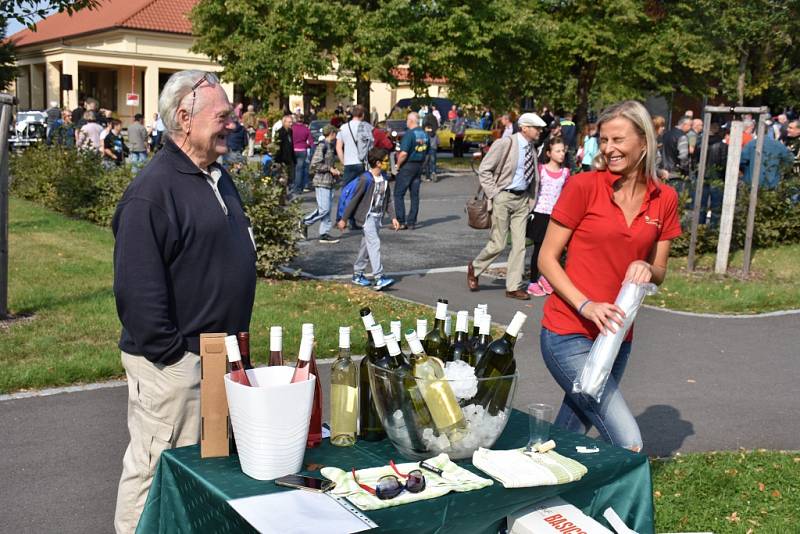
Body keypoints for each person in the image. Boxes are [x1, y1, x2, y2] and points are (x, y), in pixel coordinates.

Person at [112, 70, 256, 534]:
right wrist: (175, 358)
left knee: (202, 473)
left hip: (215, 359)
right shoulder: (151, 193)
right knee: (156, 471)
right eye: (222, 116)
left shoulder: (214, 175)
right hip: (174, 365)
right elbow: (137, 292)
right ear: (184, 119)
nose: (232, 124)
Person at [538, 100, 681, 452]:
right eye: (603, 140)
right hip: (567, 331)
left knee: (567, 434)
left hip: (616, 337)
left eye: (618, 139)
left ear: (643, 142)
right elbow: (546, 257)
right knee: (628, 440)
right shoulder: (584, 186)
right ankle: (627, 506)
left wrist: (648, 268)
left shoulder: (665, 198)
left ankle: (530, 497)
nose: (608, 148)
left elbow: (659, 272)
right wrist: (585, 305)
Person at [466, 112, 546, 300]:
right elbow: (484, 169)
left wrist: (531, 200)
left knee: (520, 246)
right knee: (498, 244)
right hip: (503, 197)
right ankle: (475, 268)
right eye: (536, 128)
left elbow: (533, 176)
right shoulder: (506, 143)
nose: (539, 131)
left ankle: (513, 287)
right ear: (525, 128)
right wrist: (494, 193)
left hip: (522, 201)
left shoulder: (532, 149)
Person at [337, 147, 400, 291]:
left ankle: (358, 273)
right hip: (367, 217)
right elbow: (354, 200)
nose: (387, 163)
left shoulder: (384, 178)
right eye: (385, 161)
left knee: (366, 246)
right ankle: (379, 277)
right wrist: (344, 219)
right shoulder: (365, 179)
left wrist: (393, 217)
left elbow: (388, 199)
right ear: (377, 163)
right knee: (374, 244)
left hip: (378, 217)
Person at [527, 136, 569, 297]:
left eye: (563, 151)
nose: (562, 154)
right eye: (558, 151)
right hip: (539, 214)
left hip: (555, 216)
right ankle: (532, 282)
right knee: (538, 249)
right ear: (549, 153)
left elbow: (565, 193)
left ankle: (546, 277)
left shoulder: (565, 172)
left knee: (555, 249)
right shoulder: (541, 169)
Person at [301, 125, 341, 243]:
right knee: (324, 209)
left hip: (329, 181)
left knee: (327, 209)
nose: (336, 135)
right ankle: (304, 222)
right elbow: (314, 164)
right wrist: (330, 169)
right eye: (335, 133)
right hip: (321, 181)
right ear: (332, 133)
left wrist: (335, 170)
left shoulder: (330, 146)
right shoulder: (322, 146)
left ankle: (324, 233)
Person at [393, 112, 430, 229]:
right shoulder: (424, 134)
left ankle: (401, 221)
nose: (406, 122)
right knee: (414, 195)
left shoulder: (409, 134)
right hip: (419, 165)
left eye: (407, 120)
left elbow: (403, 153)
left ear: (411, 121)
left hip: (408, 166)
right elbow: (428, 153)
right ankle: (412, 222)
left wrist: (397, 165)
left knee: (398, 193)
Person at [336, 104, 373, 186]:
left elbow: (338, 147)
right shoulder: (367, 127)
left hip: (349, 163)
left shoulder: (343, 127)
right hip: (363, 162)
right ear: (363, 115)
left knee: (348, 189)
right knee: (363, 188)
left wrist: (343, 162)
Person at [275, 113, 296, 194]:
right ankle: (282, 197)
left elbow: (291, 146)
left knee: (289, 179)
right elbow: (278, 148)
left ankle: (285, 195)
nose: (291, 124)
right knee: (283, 179)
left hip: (289, 159)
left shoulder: (290, 131)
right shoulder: (280, 132)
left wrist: (293, 159)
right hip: (282, 159)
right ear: (284, 122)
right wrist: (278, 161)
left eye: (292, 122)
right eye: (289, 122)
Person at [292, 116, 313, 195]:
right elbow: (311, 141)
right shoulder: (306, 129)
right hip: (302, 150)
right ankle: (298, 187)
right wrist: (309, 146)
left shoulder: (292, 128)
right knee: (299, 170)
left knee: (293, 169)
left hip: (293, 150)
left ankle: (293, 185)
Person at [422, 109, 439, 182]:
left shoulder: (425, 119)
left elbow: (423, 127)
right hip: (433, 144)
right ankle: (433, 172)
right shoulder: (434, 119)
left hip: (426, 144)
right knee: (433, 160)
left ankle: (427, 176)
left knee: (426, 161)